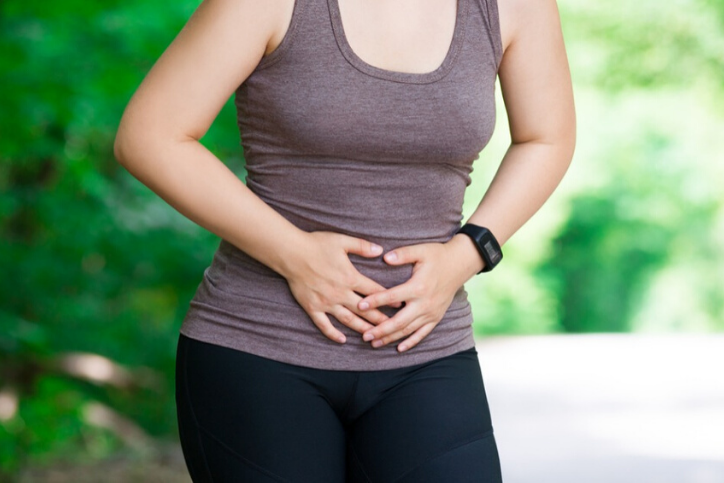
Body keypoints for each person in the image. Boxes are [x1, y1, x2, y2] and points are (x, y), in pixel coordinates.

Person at [114, 0, 575, 480]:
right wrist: (295, 256)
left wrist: (469, 252)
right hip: (259, 350)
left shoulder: (515, 6)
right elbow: (151, 135)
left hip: (428, 352)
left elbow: (546, 137)